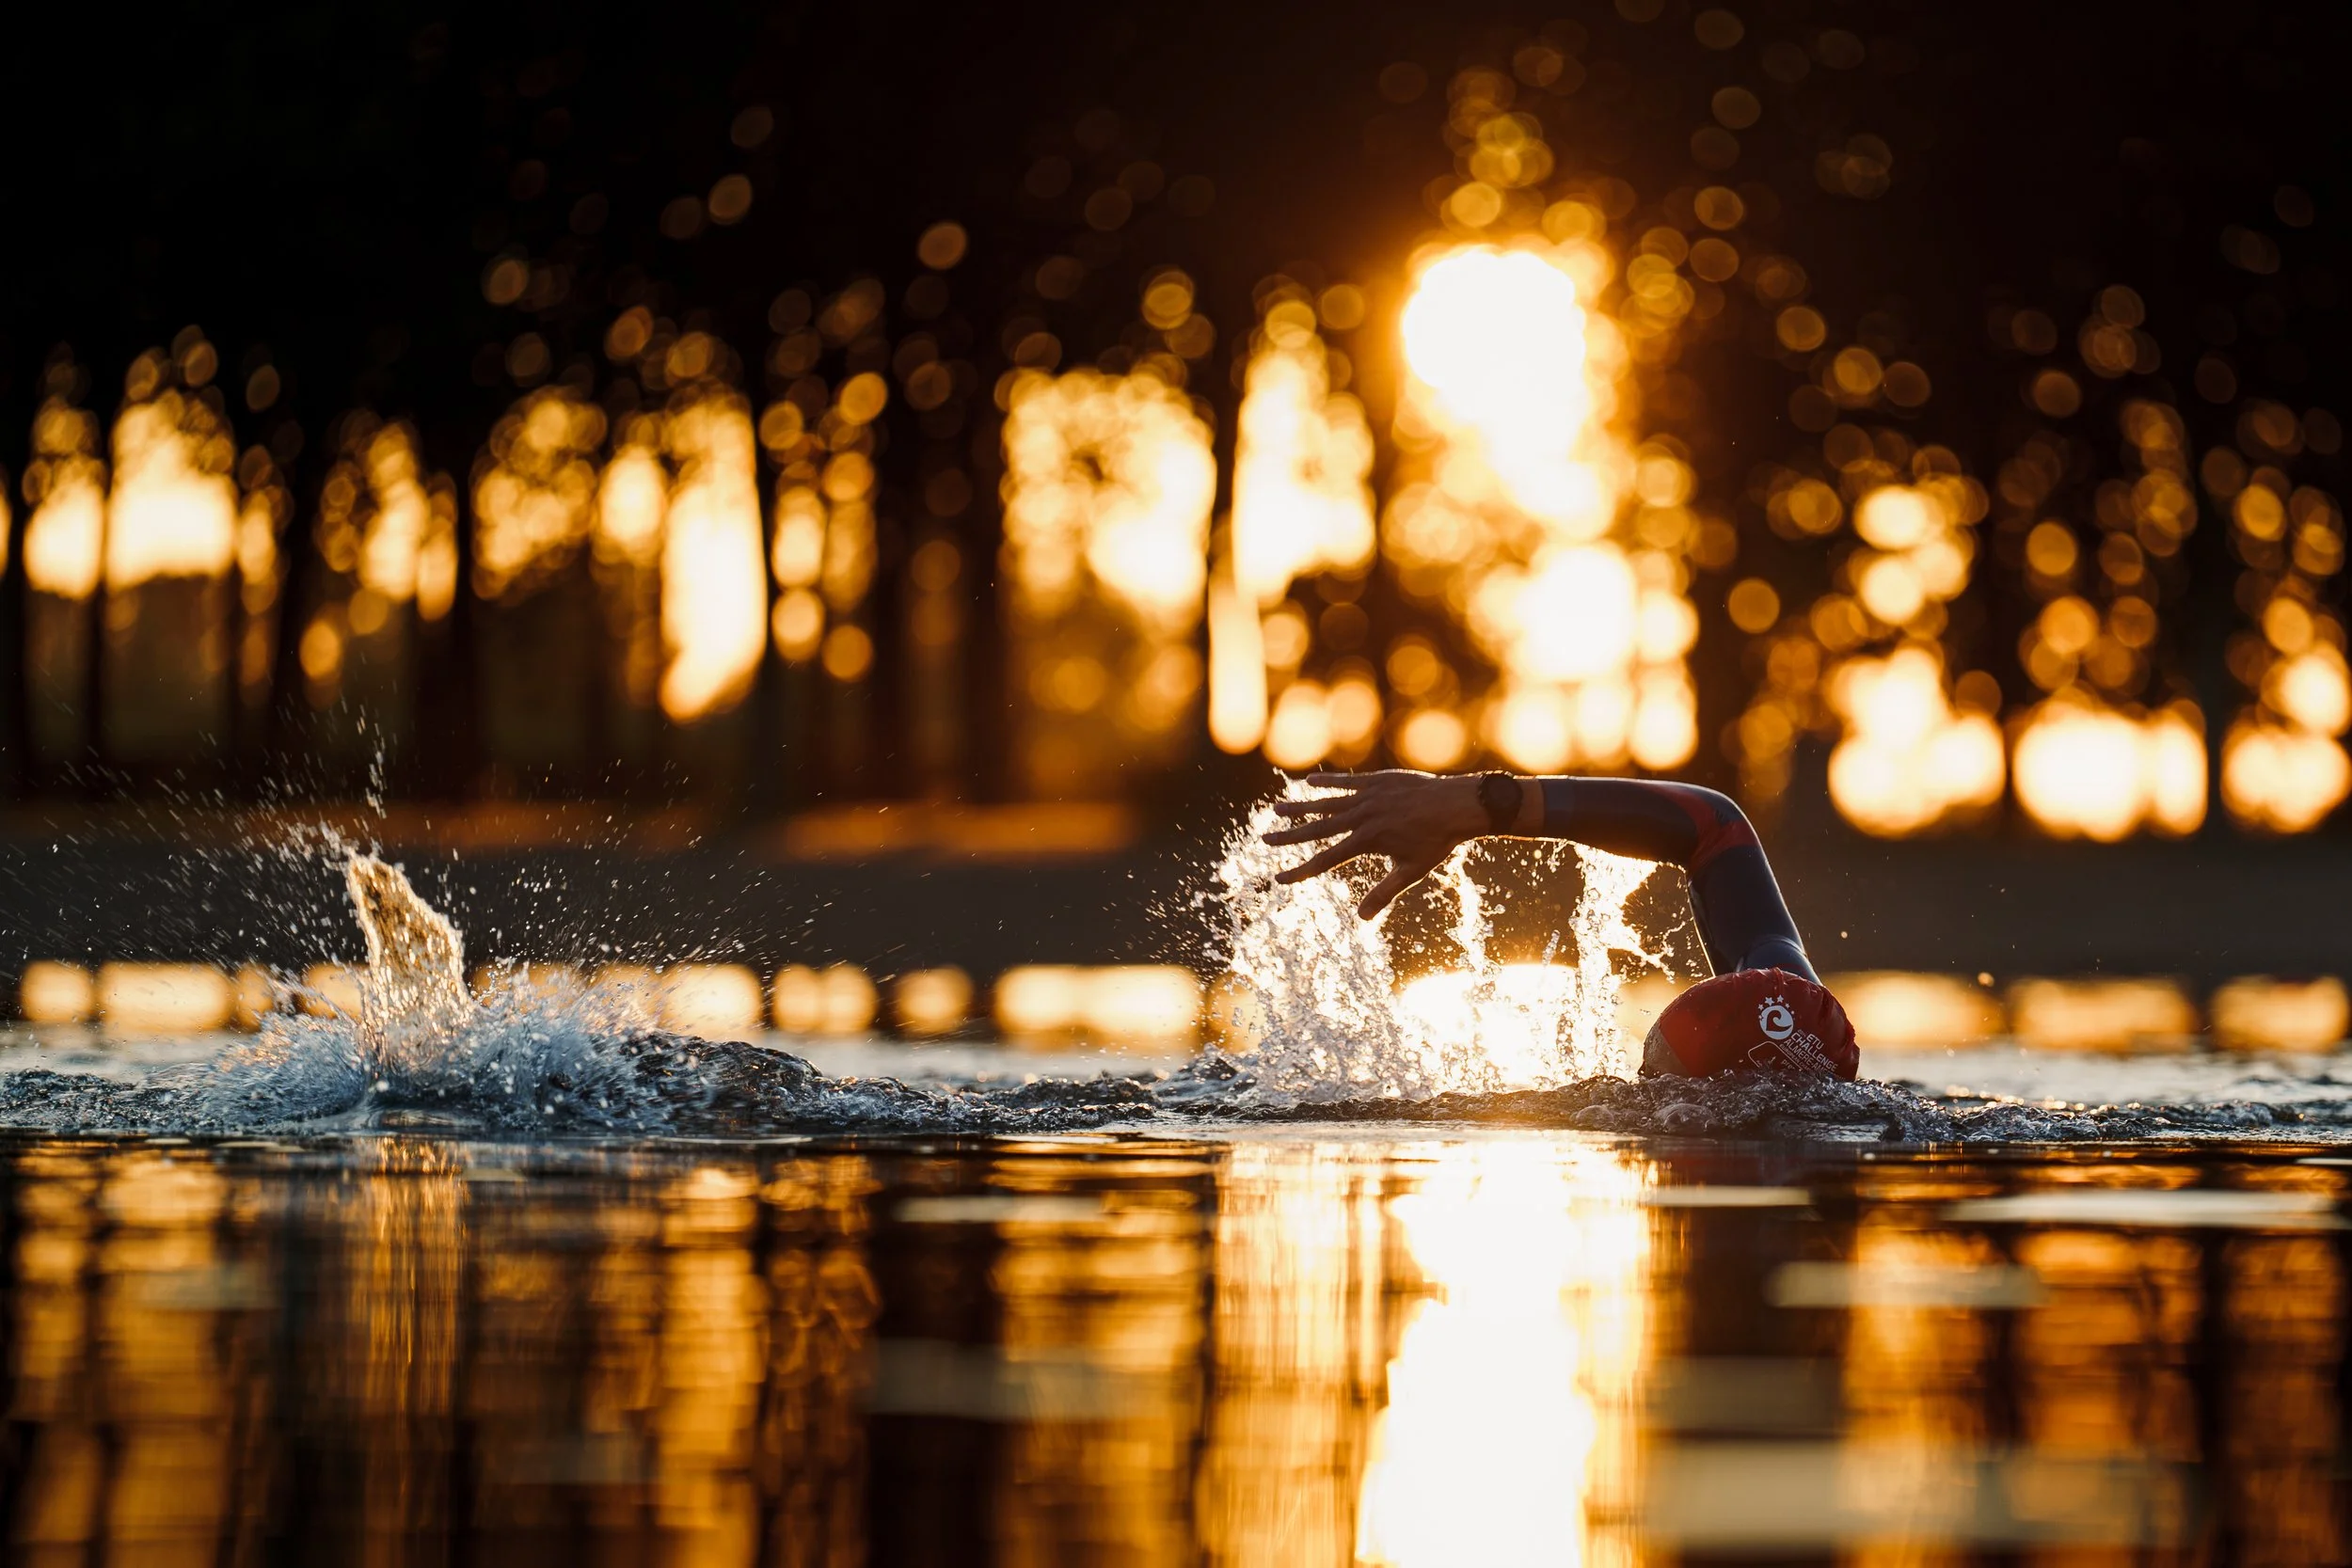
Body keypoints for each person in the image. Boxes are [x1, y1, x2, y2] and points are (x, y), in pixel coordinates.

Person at [1263, 768, 1858, 1079]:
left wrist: (1480, 805)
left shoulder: (1799, 1042)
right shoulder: (1811, 1047)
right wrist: (1481, 804)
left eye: (1658, 1084)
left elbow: (1712, 823)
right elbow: (1713, 826)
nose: (1643, 1089)